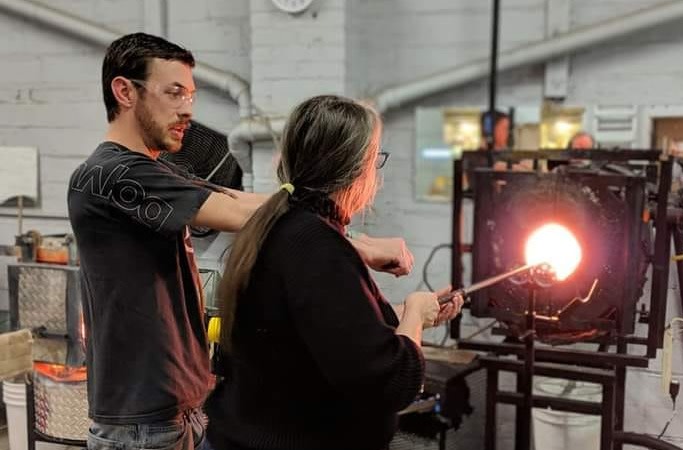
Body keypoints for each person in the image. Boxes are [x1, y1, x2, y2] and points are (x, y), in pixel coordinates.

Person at [67, 33, 417, 450]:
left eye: (190, 95)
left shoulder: (155, 171)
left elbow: (243, 200)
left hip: (176, 409)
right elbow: (239, 214)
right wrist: (358, 244)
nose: (187, 110)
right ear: (125, 91)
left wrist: (342, 229)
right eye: (174, 93)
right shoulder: (110, 174)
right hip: (141, 421)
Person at [204, 95, 464, 450]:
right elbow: (390, 383)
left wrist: (412, 315)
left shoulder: (284, 226)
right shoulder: (316, 246)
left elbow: (325, 329)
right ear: (358, 169)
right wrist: (415, 314)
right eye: (375, 161)